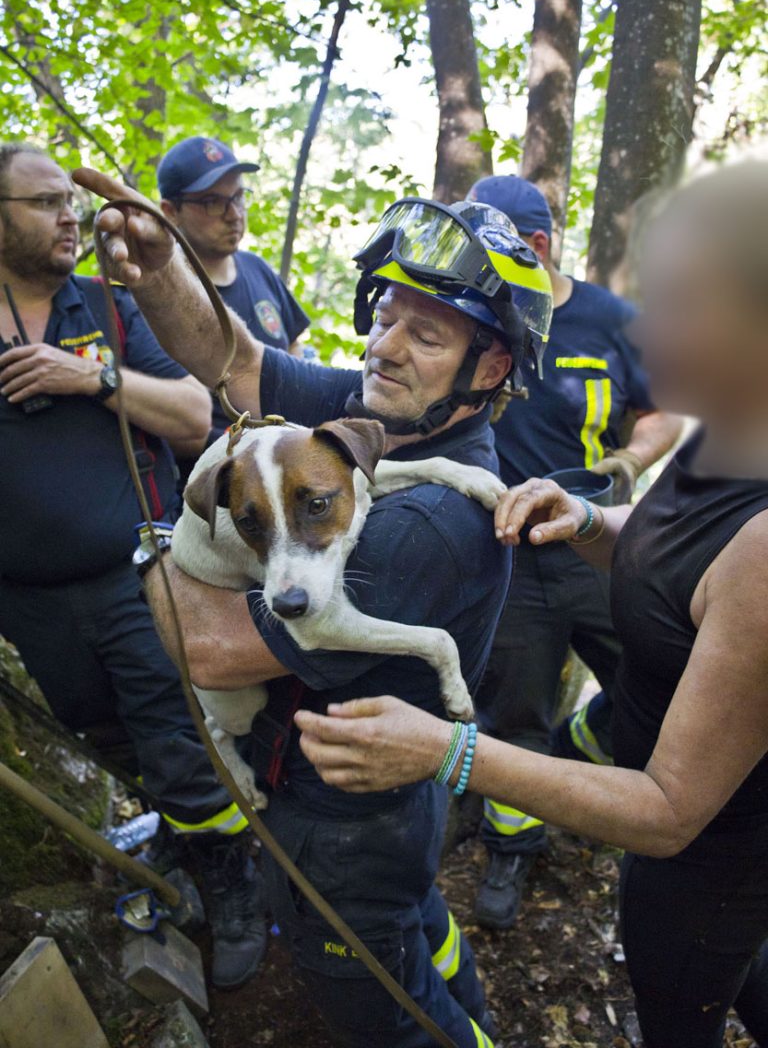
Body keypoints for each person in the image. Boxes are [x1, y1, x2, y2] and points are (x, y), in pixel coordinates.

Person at [73, 168, 554, 1048]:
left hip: (346, 824)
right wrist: (158, 264)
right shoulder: (378, 423)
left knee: (384, 1008)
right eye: (384, 318)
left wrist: (152, 547)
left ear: (489, 367)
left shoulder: (435, 521)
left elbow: (210, 652)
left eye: (427, 334)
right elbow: (236, 362)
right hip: (393, 808)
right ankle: (472, 1006)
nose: (385, 348)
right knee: (415, 927)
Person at [296, 160, 768, 1048]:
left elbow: (666, 814)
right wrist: (591, 517)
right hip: (682, 792)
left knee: (683, 997)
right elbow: (691, 550)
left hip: (710, 860)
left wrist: (446, 750)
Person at [0, 143, 266, 991]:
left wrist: (90, 376)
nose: (67, 215)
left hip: (132, 575)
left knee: (179, 740)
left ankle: (235, 884)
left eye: (67, 201)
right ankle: (181, 847)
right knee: (102, 731)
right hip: (28, 599)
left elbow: (196, 412)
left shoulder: (109, 308)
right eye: (43, 202)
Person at [462, 174, 682, 928]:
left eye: (501, 247)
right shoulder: (478, 309)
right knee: (513, 702)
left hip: (599, 538)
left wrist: (629, 460)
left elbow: (661, 413)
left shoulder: (611, 321)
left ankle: (592, 757)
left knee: (657, 671)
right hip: (508, 552)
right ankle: (511, 846)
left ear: (540, 246)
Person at [157, 136, 309, 442]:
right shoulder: (160, 294)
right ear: (171, 211)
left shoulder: (257, 268)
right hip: (216, 470)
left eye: (238, 197)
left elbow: (294, 344)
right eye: (213, 202)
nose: (234, 214)